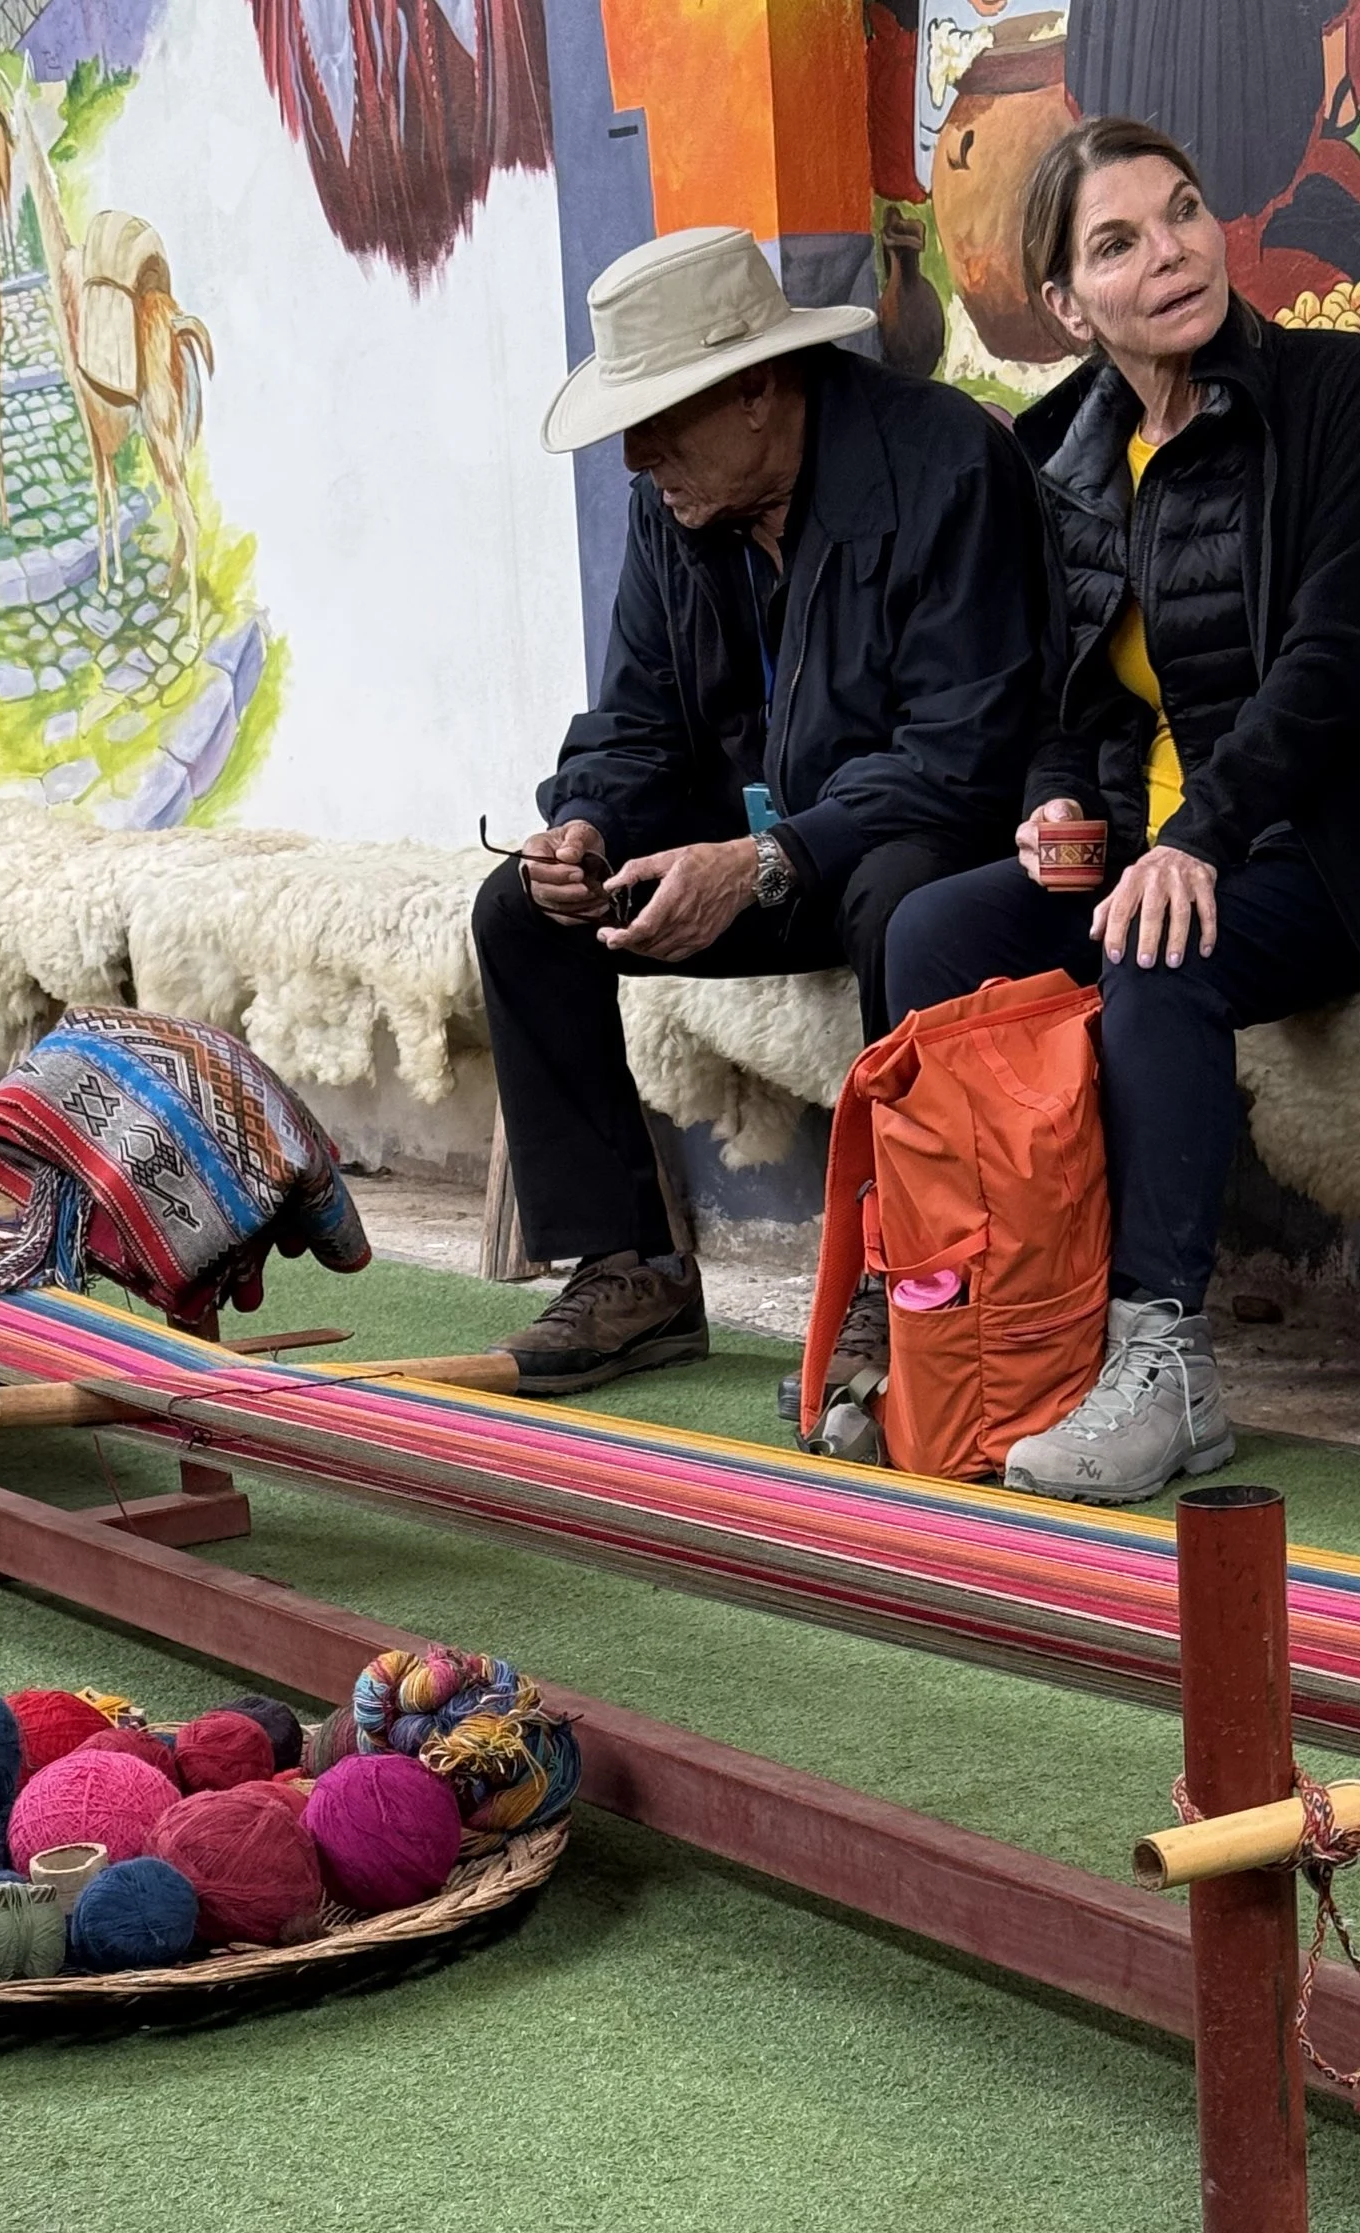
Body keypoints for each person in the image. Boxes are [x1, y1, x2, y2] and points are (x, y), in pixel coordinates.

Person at [875, 115, 1360, 1503]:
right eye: (1119, 242)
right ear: (1069, 303)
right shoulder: (1060, 456)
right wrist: (1049, 810)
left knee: (1162, 951)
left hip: (1330, 845)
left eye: (1185, 211)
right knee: (931, 939)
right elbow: (1060, 700)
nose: (1173, 253)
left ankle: (1166, 1368)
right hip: (1154, 849)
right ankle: (981, 1324)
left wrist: (1197, 838)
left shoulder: (1342, 392)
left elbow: (1341, 659)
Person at [472, 222, 1050, 1396]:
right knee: (523, 910)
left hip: (919, 840)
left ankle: (907, 1280)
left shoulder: (942, 463)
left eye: (662, 419)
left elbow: (966, 747)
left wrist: (773, 858)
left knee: (905, 897)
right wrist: (583, 820)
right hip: (758, 843)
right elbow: (635, 715)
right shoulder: (677, 507)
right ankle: (627, 1268)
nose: (637, 455)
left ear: (755, 391)